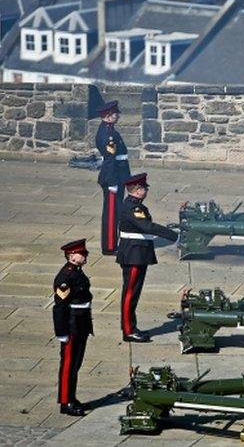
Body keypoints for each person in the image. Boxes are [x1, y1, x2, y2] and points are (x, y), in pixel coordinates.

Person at [116, 173, 179, 342]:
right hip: (133, 255)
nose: (146, 191)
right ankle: (128, 331)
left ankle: (130, 326)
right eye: (144, 188)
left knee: (133, 293)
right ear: (137, 190)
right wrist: (173, 235)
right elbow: (147, 226)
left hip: (137, 254)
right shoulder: (133, 207)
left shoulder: (136, 205)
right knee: (130, 294)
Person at [53, 239, 94, 417]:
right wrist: (61, 332)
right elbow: (60, 307)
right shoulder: (65, 277)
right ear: (71, 256)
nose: (85, 255)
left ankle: (72, 397)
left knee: (76, 364)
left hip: (81, 323)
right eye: (82, 253)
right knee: (68, 365)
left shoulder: (77, 271)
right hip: (71, 325)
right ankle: (65, 401)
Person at [94, 101, 130, 255]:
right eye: (115, 114)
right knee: (111, 215)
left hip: (118, 175)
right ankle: (109, 247)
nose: (118, 116)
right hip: (113, 177)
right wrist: (113, 182)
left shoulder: (109, 130)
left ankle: (113, 244)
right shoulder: (109, 135)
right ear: (108, 117)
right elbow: (110, 160)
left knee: (116, 212)